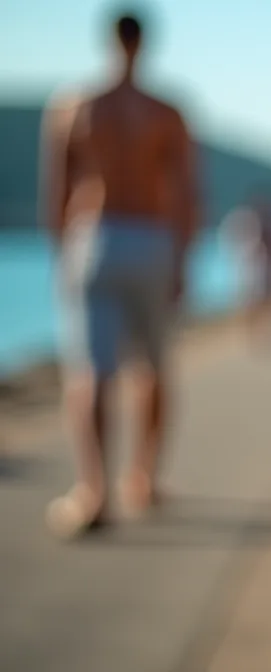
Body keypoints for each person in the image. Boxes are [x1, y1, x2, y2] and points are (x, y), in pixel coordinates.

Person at [41, 10, 199, 538]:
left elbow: (57, 193)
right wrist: (182, 259)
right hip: (151, 238)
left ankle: (94, 491)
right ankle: (144, 477)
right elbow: (187, 194)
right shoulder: (165, 112)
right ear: (144, 44)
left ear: (109, 41)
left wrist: (60, 256)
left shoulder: (74, 106)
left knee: (91, 370)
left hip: (96, 238)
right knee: (153, 367)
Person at [221, 188, 271, 346]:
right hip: (248, 267)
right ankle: (253, 331)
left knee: (261, 299)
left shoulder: (260, 221)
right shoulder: (248, 220)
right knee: (251, 299)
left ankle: (259, 331)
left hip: (259, 266)